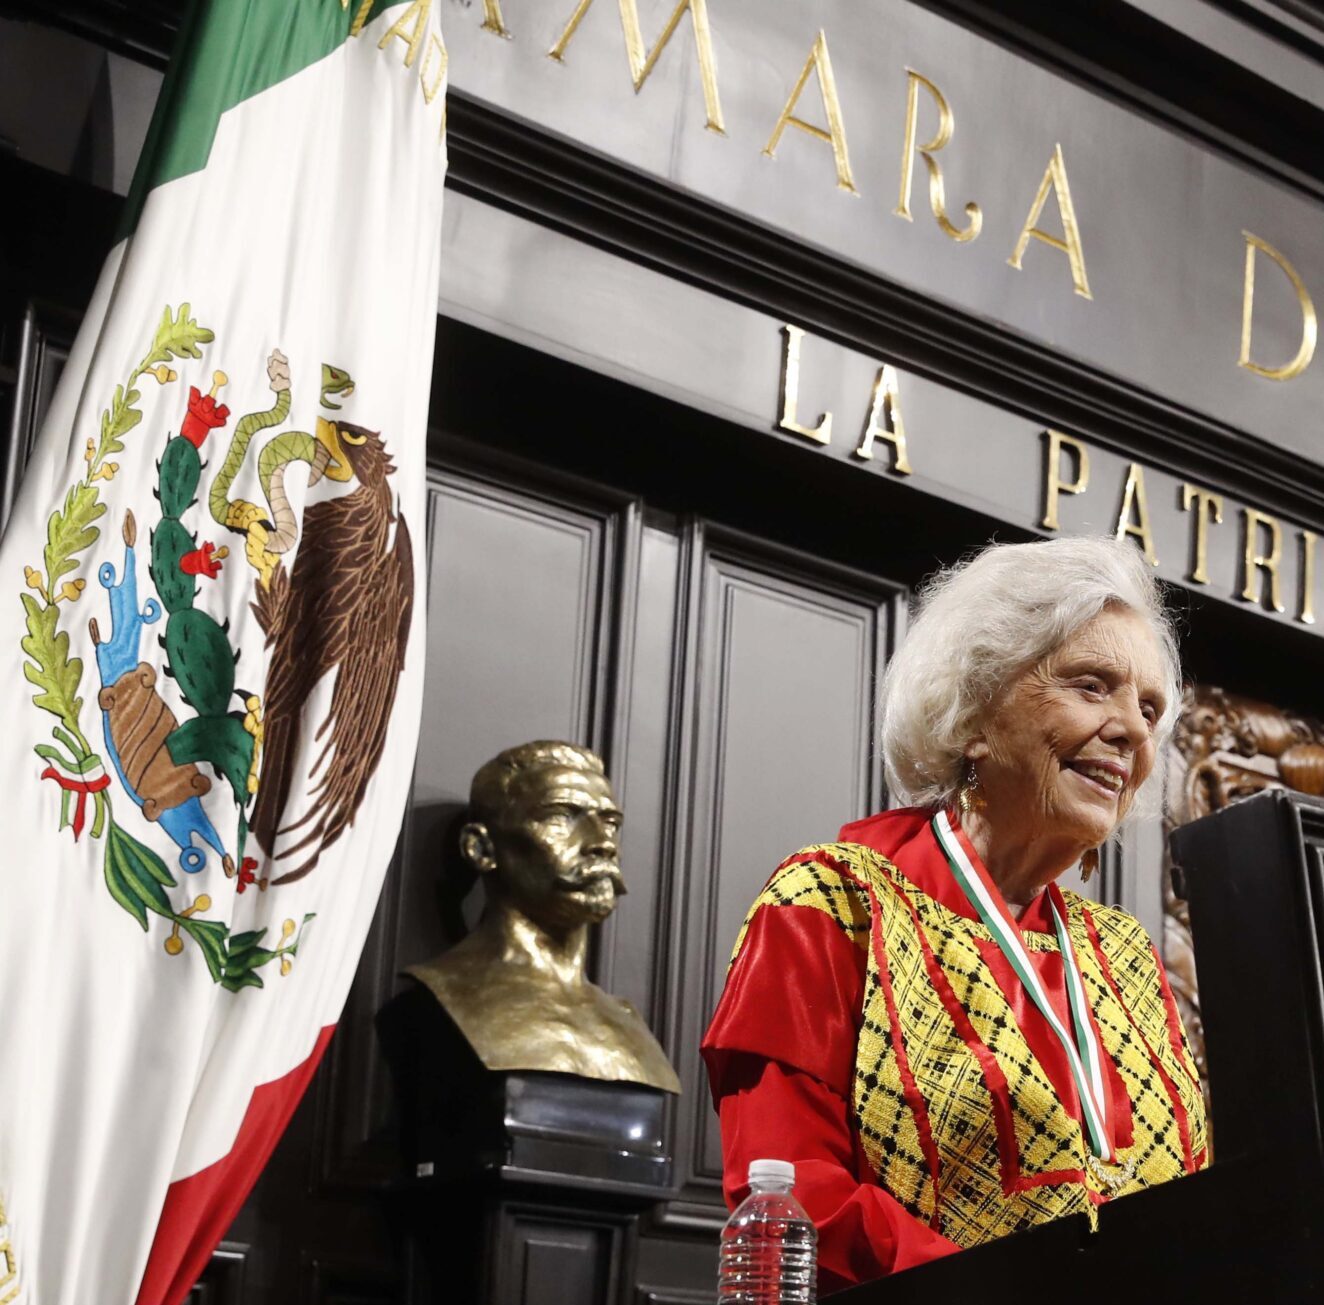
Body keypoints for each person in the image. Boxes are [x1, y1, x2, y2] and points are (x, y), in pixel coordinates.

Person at [702, 537, 1207, 1293]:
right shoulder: (830, 904)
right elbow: (793, 1194)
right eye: (1092, 685)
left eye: (1149, 708)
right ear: (972, 709)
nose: (1135, 731)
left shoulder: (1127, 956)